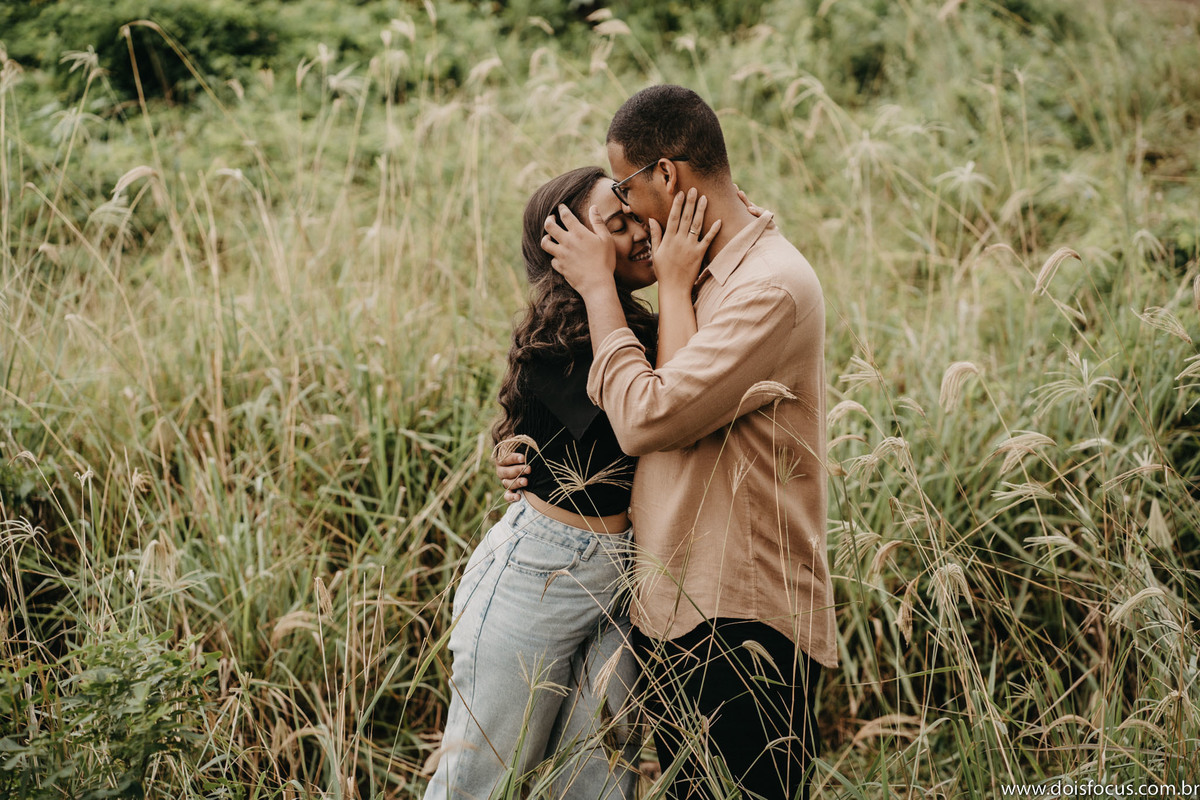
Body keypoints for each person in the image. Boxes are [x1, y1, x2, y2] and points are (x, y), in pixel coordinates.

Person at [507, 85, 838, 799]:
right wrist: (527, 460)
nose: (627, 215)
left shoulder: (768, 288)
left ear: (667, 176)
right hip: (676, 609)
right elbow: (634, 429)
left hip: (739, 617)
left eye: (626, 190)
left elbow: (648, 418)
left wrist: (599, 288)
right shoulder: (697, 276)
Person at [422, 166, 719, 800]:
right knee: (481, 782)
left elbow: (678, 395)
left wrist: (667, 286)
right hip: (541, 575)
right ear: (572, 253)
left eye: (637, 214)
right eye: (619, 225)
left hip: (624, 578)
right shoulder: (560, 342)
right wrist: (662, 282)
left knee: (595, 782)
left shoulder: (630, 327)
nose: (644, 232)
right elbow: (658, 418)